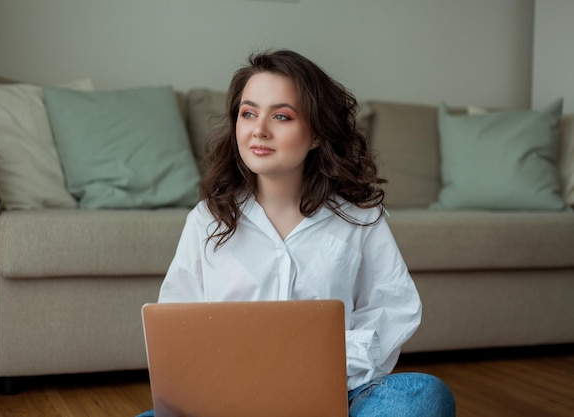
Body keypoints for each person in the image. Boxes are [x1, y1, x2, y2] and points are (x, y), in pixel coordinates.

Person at [137, 49, 455, 417]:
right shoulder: (207, 219)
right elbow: (176, 327)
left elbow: (394, 310)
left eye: (282, 116)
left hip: (335, 399)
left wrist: (317, 363)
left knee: (421, 393)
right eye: (248, 113)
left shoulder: (359, 218)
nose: (259, 130)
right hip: (228, 404)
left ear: (317, 133)